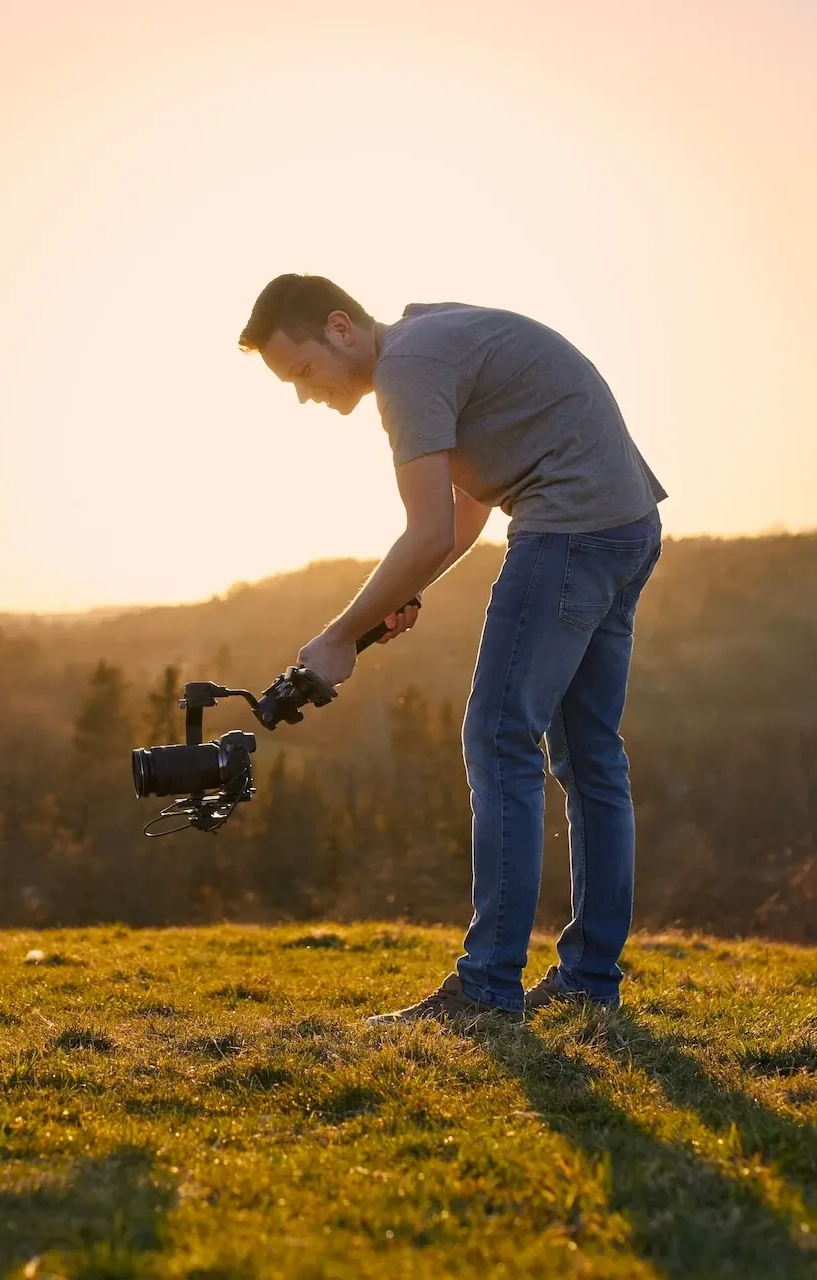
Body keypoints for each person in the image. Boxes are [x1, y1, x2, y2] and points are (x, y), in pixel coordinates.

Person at [238, 274, 667, 1026]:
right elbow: (466, 513)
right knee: (590, 756)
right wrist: (397, 598)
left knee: (499, 738)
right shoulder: (432, 337)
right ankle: (590, 980)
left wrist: (337, 637)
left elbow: (430, 529)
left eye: (303, 371)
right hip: (625, 529)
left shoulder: (406, 367)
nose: (306, 395)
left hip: (569, 530)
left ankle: (488, 989)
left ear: (340, 327)